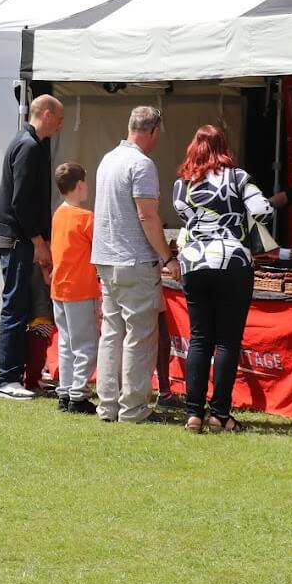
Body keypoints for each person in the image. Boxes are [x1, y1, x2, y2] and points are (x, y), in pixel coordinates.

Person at [172, 125, 274, 434]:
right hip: (233, 261)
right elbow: (264, 210)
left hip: (194, 263)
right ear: (223, 148)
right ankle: (219, 415)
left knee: (200, 338)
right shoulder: (239, 177)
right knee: (228, 341)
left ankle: (193, 414)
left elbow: (183, 214)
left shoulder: (182, 185)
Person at [92, 106, 179, 424]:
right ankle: (133, 409)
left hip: (106, 258)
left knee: (112, 334)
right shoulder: (142, 164)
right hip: (134, 260)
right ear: (153, 131)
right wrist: (167, 257)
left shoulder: (108, 159)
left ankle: (108, 407)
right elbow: (147, 215)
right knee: (139, 335)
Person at [0, 94, 64, 400]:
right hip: (18, 239)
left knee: (20, 307)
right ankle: (6, 380)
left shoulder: (29, 143)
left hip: (20, 237)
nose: (61, 125)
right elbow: (21, 200)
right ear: (46, 114)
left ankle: (18, 376)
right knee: (15, 307)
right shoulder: (28, 146)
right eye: (59, 119)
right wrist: (38, 241)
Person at [50, 162, 100, 414]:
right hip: (80, 288)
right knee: (86, 345)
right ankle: (78, 395)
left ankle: (66, 391)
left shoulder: (59, 213)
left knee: (67, 344)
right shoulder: (86, 218)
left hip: (60, 287)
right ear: (80, 186)